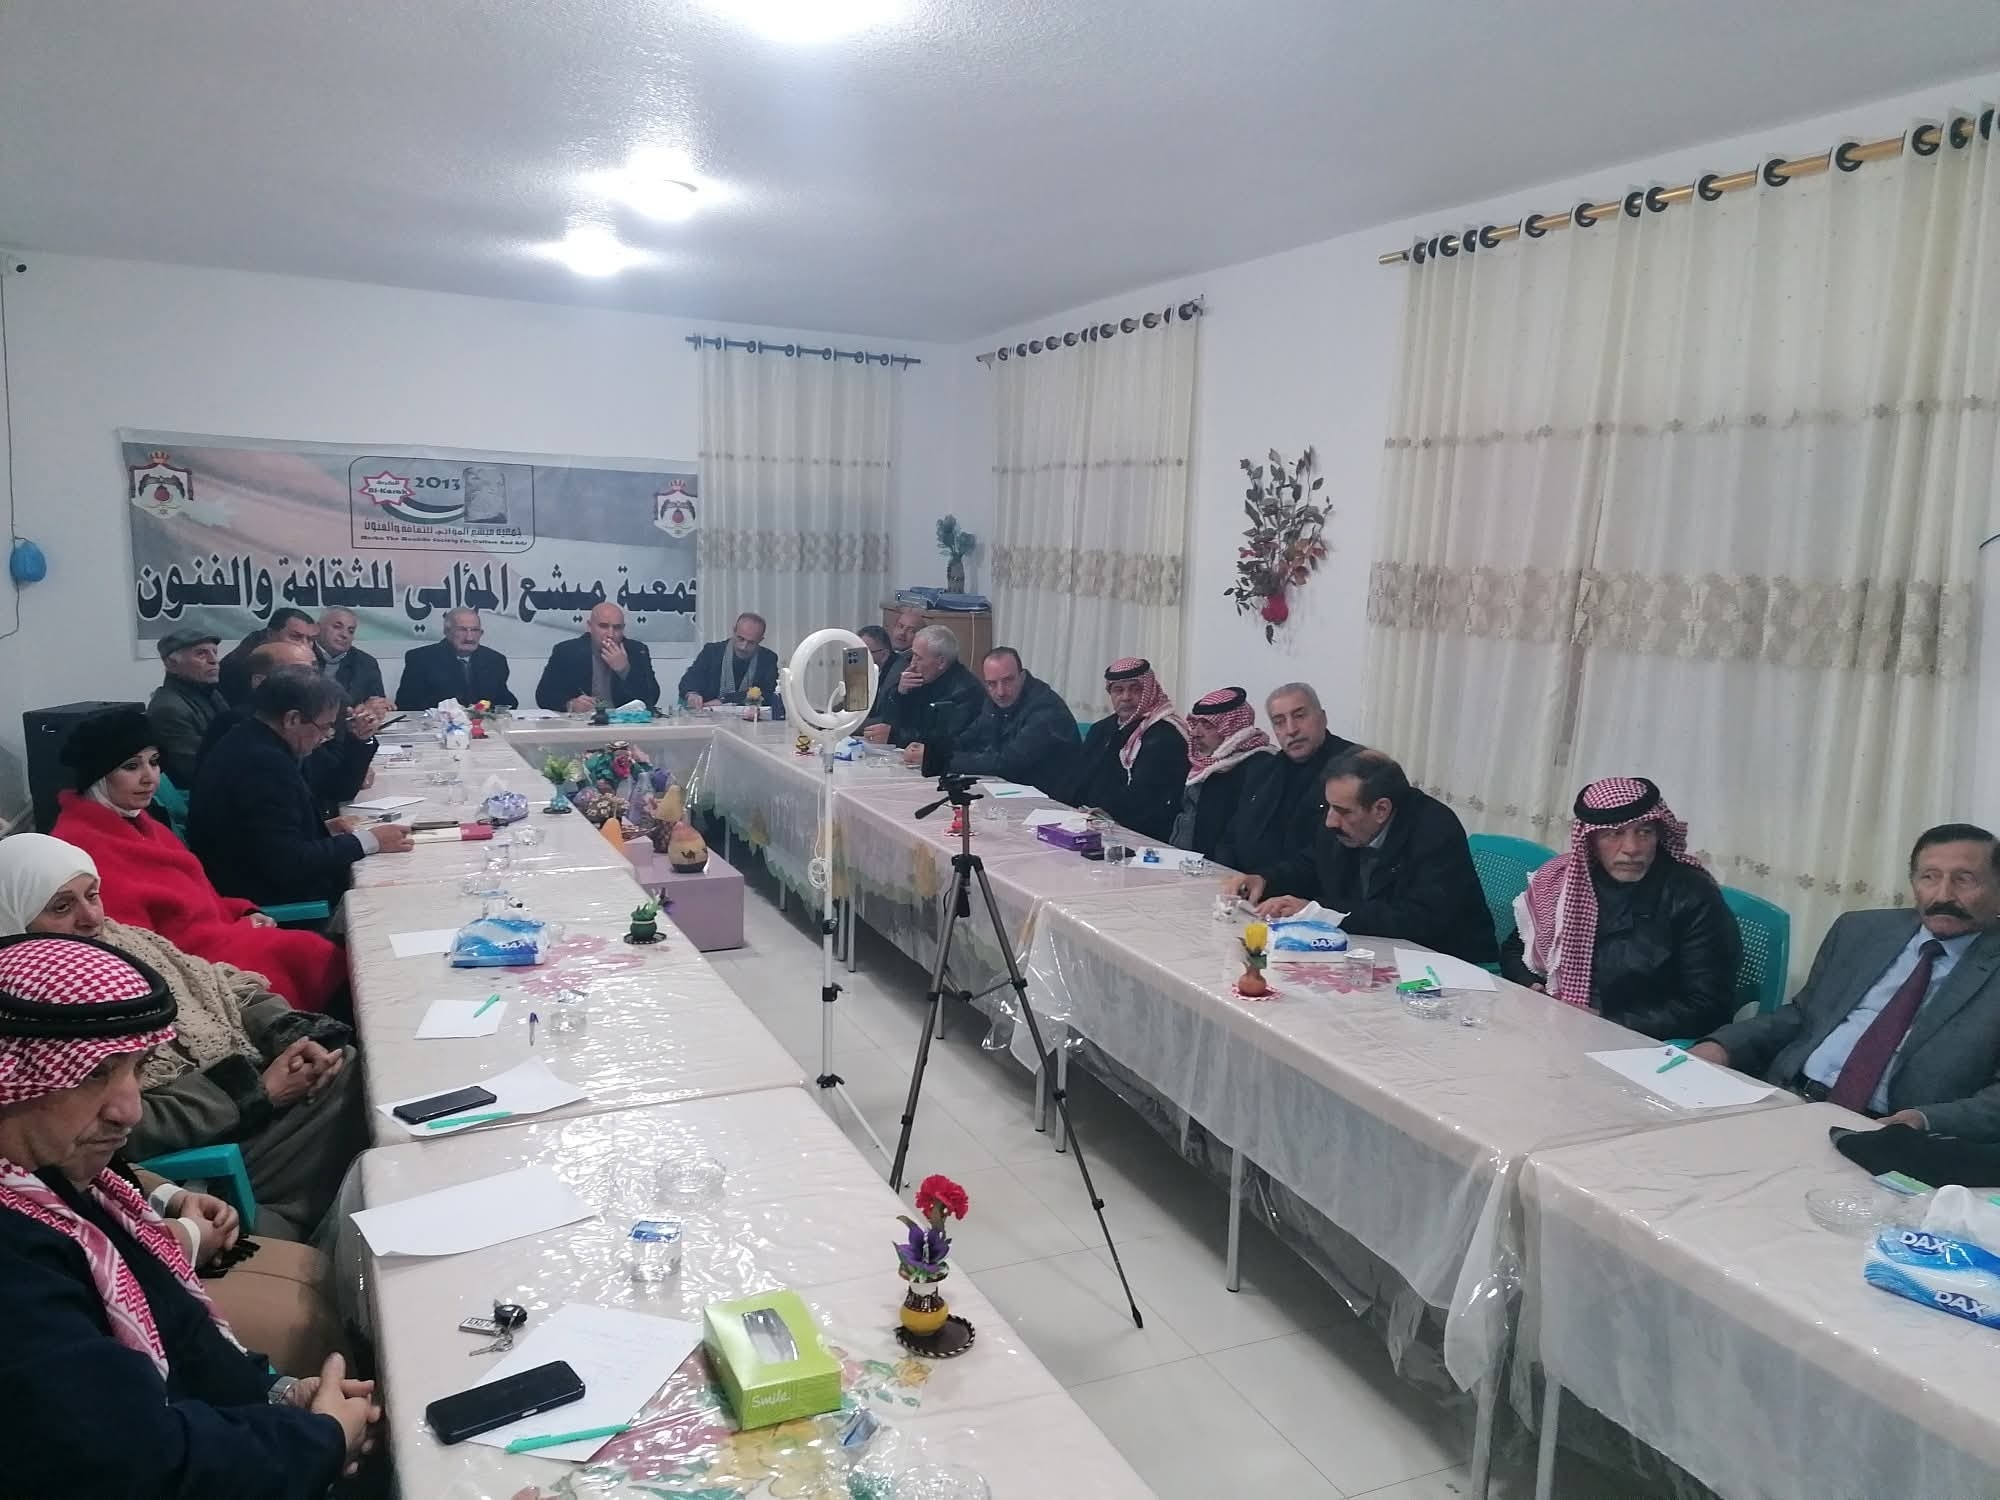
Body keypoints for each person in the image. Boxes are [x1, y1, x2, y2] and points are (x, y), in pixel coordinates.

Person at [0, 932, 379, 1497]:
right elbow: (135, 1463)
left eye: (137, 1068)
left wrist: (278, 1399)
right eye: (96, 1074)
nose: (129, 1110)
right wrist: (318, 1440)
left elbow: (178, 1332)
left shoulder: (59, 1177)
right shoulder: (16, 1255)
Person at [0, 836, 365, 1240]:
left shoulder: (125, 942)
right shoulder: (36, 1012)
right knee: (354, 1083)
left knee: (343, 1063)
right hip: (209, 1137)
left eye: (93, 895)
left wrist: (292, 1037)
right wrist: (258, 1091)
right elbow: (113, 1126)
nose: (90, 918)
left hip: (251, 1090)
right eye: (62, 907)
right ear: (14, 918)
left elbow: (227, 985)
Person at [1692, 824, 2000, 1136]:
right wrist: (1722, 1046)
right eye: (1929, 877)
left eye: (1964, 880)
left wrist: (1925, 1119)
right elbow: (1803, 1015)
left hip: (1888, 1131)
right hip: (1789, 1098)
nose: (1943, 895)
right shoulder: (1861, 930)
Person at [49, 710, 346, 1012]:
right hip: (194, 968)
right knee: (323, 958)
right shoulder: (82, 849)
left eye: (154, 762)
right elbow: (140, 950)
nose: (150, 777)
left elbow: (199, 896)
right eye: (131, 766)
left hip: (222, 939)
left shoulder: (139, 821)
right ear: (98, 775)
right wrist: (238, 929)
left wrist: (243, 913)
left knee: (335, 956)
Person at [1502, 777, 1741, 1040]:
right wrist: (1533, 987)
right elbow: (1515, 949)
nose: (1631, 848)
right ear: (1591, 840)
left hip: (1635, 1040)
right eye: (1614, 834)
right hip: (1554, 1023)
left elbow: (1709, 1007)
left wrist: (1603, 1021)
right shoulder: (1562, 880)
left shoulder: (1693, 895)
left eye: (1644, 832)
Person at [75, 1154, 346, 1378]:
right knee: (302, 1326)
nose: (132, 1113)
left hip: (148, 1234)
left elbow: (114, 1165)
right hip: (115, 1290)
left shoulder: (72, 1142)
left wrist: (173, 1197)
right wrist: (183, 1239)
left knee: (314, 1267)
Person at [1247, 749, 1497, 966]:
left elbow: (1418, 919)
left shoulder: (1435, 829)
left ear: (1381, 809)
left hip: (1447, 963)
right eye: (1329, 806)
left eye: (1343, 811)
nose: (1330, 821)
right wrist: (1265, 880)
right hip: (1369, 949)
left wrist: (1320, 911)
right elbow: (1311, 863)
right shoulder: (1340, 819)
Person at [189, 668, 414, 908]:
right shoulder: (264, 765)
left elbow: (261, 834)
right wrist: (368, 840)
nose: (326, 736)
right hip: (265, 901)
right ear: (292, 719)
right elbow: (288, 862)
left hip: (247, 873)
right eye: (324, 726)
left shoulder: (247, 737)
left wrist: (320, 829)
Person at [198, 641, 385, 815]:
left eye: (314, 669)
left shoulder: (301, 723)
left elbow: (335, 786)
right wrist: (360, 838)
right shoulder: (247, 733)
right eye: (300, 673)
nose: (314, 680)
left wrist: (360, 739)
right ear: (260, 681)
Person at [1214, 682, 1355, 889]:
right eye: (1279, 722)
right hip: (1246, 889)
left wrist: (1264, 881)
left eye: (1300, 716)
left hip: (1307, 897)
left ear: (1323, 718)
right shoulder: (1264, 770)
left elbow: (1328, 857)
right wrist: (1225, 876)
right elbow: (1231, 837)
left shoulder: (1352, 770)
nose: (1291, 730)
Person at [905, 647, 1078, 795]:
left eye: (1008, 680)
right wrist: (932, 750)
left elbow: (1007, 763)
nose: (1000, 692)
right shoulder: (996, 700)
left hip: (1051, 799)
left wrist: (937, 760)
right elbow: (969, 738)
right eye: (991, 684)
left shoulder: (1045, 710)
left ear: (1023, 676)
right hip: (1011, 789)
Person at [1063, 657, 1189, 842]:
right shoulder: (1102, 729)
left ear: (1149, 690)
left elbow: (1146, 797)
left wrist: (1105, 815)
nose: (1126, 697)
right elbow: (1079, 777)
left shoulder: (1165, 734)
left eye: (1135, 689)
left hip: (1140, 833)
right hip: (1090, 822)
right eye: (1118, 690)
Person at [1170, 687, 1278, 859]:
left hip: (1215, 868)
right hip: (1182, 860)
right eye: (1195, 724)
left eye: (1207, 725)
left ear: (1233, 728)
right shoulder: (1205, 763)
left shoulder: (1258, 766)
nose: (1195, 733)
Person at [860, 624, 985, 749]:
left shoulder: (966, 691)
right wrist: (900, 693)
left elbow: (943, 739)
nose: (912, 664)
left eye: (918, 658)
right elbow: (889, 719)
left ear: (941, 662)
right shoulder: (922, 677)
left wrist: (894, 736)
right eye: (912, 656)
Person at [536, 601, 661, 712]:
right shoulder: (567, 651)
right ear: (590, 627)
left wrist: (625, 670)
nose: (610, 634)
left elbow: (652, 698)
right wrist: (571, 705)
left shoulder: (637, 651)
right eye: (603, 626)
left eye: (617, 628)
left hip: (624, 723)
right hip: (581, 723)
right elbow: (543, 696)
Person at [147, 627, 226, 790]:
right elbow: (199, 768)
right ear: (171, 664)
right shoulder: (168, 709)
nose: (214, 660)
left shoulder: (211, 693)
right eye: (201, 654)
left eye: (215, 652)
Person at [397, 606, 517, 710]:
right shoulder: (421, 659)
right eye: (462, 630)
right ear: (447, 631)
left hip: (483, 725)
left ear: (481, 633)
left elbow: (505, 702)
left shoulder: (495, 660)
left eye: (474, 630)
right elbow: (406, 704)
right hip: (436, 726)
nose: (469, 637)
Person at [218, 607, 317, 707]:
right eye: (295, 637)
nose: (304, 645)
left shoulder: (317, 659)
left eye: (310, 639)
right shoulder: (237, 667)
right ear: (270, 634)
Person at [680, 611, 780, 707]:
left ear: (760, 640)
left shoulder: (768, 659)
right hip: (708, 713)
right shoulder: (712, 652)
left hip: (748, 716)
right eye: (741, 639)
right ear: (734, 631)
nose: (743, 646)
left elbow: (767, 693)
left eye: (751, 642)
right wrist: (692, 694)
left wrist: (725, 700)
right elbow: (690, 679)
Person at [313, 607, 385, 704]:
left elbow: (379, 703)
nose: (344, 635)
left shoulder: (366, 663)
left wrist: (372, 707)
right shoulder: (300, 655)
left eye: (350, 631)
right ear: (318, 628)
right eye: (337, 627)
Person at [867, 605, 926, 723]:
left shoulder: (913, 666)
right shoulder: (885, 653)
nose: (902, 633)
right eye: (900, 626)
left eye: (911, 630)